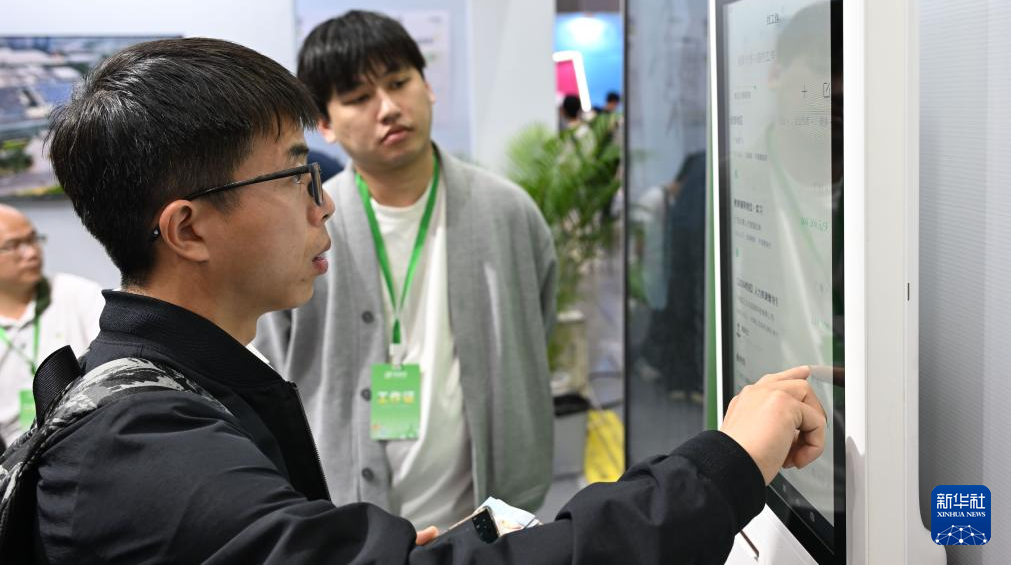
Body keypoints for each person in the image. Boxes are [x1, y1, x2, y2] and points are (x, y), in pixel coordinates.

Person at [32, 36, 826, 563]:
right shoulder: (145, 449)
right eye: (294, 175)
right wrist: (723, 465)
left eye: (400, 81)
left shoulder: (182, 394)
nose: (322, 203)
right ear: (188, 229)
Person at [254, 10, 556, 529]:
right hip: (351, 524)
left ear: (427, 86)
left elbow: (535, 327)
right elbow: (277, 367)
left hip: (493, 520)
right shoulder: (303, 228)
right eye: (358, 97)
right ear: (325, 123)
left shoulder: (507, 211)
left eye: (399, 83)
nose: (389, 108)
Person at [0, 204, 103, 448]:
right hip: (10, 454)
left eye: (33, 239)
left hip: (80, 435)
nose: (31, 253)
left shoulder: (81, 295)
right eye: (14, 245)